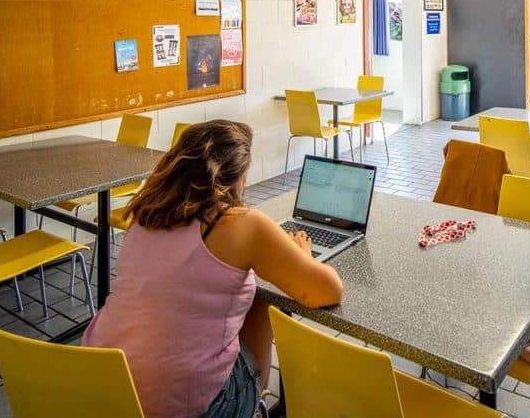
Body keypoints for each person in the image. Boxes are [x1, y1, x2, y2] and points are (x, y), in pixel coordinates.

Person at [83, 120, 343, 418]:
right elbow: (327, 291)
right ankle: (254, 399)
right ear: (239, 175)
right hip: (178, 405)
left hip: (103, 385)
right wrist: (303, 256)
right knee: (262, 297)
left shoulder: (144, 216)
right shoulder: (243, 224)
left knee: (240, 292)